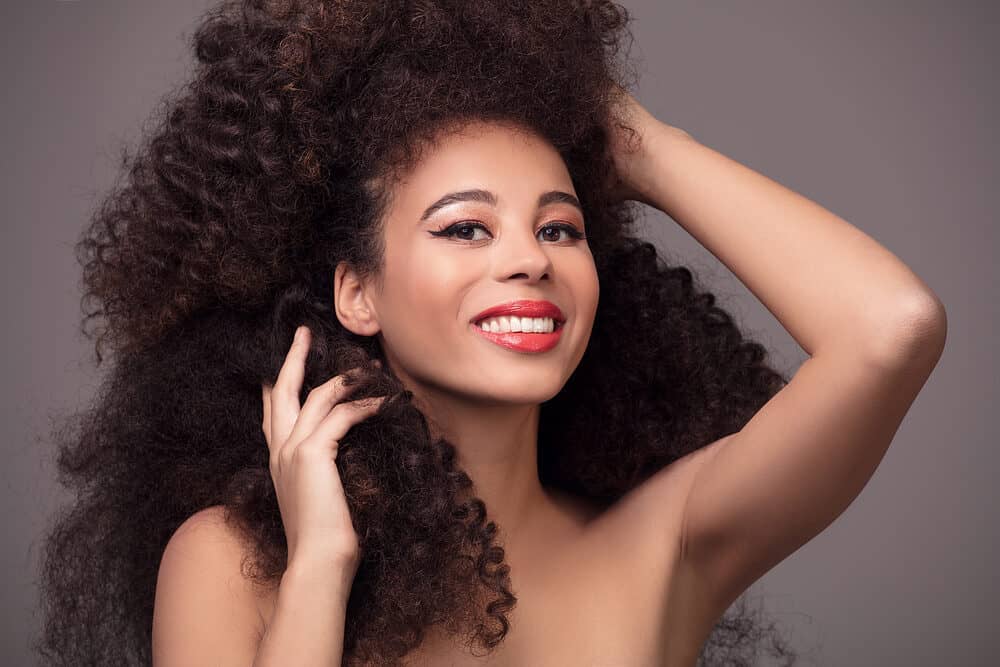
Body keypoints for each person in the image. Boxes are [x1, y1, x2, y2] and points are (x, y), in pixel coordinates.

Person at [35, 1, 947, 665]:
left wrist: (632, 141)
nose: (531, 259)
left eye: (561, 227)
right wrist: (321, 565)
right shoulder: (232, 563)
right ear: (359, 293)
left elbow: (891, 329)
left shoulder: (669, 541)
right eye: (466, 226)